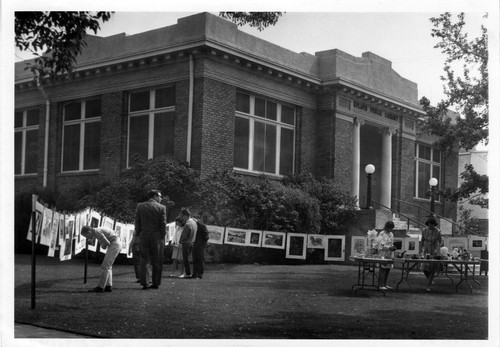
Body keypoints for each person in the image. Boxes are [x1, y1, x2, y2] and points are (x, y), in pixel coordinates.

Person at [135, 189, 167, 289]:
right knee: (157, 260)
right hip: (156, 237)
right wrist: (162, 236)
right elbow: (163, 224)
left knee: (144, 260)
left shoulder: (140, 206)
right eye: (160, 196)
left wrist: (138, 235)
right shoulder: (162, 207)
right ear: (154, 196)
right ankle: (155, 283)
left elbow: (137, 223)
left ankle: (145, 283)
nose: (161, 198)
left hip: (144, 236)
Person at [81, 225, 122, 293]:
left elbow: (106, 243)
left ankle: (100, 287)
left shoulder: (97, 231)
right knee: (108, 266)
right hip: (116, 243)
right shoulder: (97, 231)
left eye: (86, 236)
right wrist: (102, 244)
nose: (87, 238)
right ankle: (108, 286)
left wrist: (102, 244)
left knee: (105, 266)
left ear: (89, 232)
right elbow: (105, 244)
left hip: (114, 244)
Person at [420, 216, 443, 292]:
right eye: (429, 225)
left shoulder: (438, 231)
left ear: (434, 225)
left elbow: (440, 242)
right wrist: (421, 249)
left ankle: (428, 285)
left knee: (432, 268)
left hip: (434, 250)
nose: (430, 226)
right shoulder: (424, 230)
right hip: (426, 250)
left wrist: (437, 249)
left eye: (432, 225)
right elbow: (422, 240)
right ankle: (430, 279)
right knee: (424, 268)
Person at [178, 208, 197, 279]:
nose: (182, 218)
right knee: (187, 258)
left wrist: (180, 241)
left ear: (185, 215)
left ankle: (188, 274)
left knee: (186, 259)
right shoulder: (194, 222)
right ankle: (188, 273)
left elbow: (184, 235)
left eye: (182, 216)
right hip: (191, 242)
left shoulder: (188, 224)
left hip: (186, 243)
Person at [377, 221, 396, 290]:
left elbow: (391, 243)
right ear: (387, 227)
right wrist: (388, 248)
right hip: (383, 253)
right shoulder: (382, 233)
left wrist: (393, 247)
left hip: (390, 253)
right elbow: (380, 245)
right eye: (390, 228)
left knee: (388, 269)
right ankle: (381, 284)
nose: (391, 230)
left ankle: (385, 284)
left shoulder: (391, 234)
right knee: (382, 269)